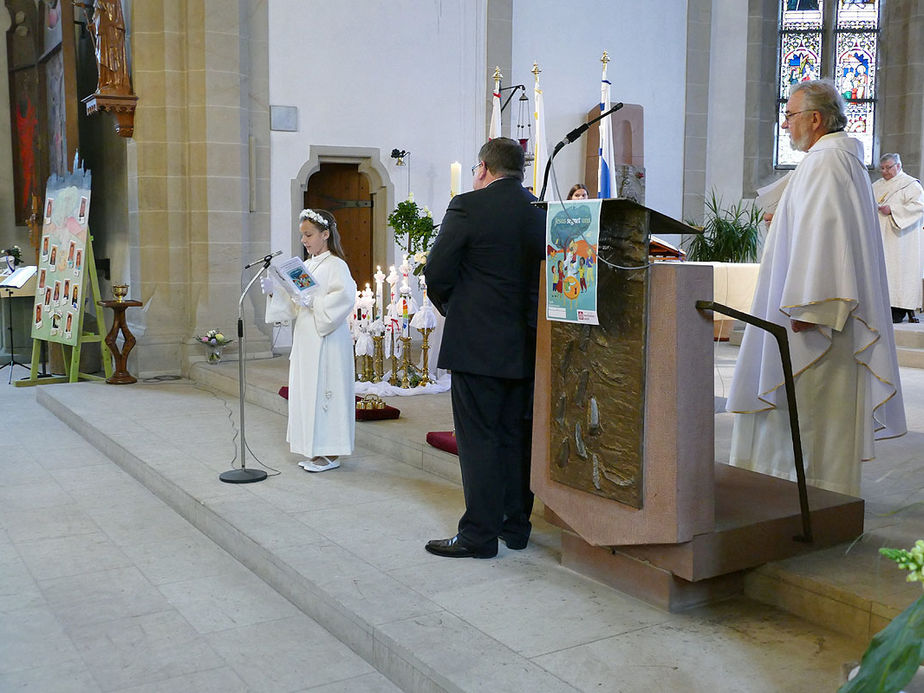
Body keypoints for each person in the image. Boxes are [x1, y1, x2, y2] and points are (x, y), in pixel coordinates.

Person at [727, 79, 905, 497]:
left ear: (815, 118)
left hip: (814, 319)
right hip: (813, 311)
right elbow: (819, 227)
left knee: (806, 411)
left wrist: (813, 308)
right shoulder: (835, 159)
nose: (785, 124)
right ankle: (797, 494)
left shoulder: (827, 162)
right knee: (808, 412)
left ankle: (802, 497)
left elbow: (828, 240)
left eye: (790, 115)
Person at [424, 137, 546, 558]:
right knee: (517, 437)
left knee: (479, 440)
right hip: (529, 347)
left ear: (482, 169)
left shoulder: (468, 206)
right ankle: (516, 527)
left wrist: (456, 309)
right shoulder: (542, 212)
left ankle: (479, 535)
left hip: (477, 346)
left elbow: (437, 272)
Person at [262, 209, 356, 472]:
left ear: (325, 234)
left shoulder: (336, 265)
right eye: (302, 235)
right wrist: (276, 293)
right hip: (306, 338)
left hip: (327, 340)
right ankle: (314, 450)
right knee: (307, 392)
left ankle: (331, 452)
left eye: (309, 234)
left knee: (327, 391)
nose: (304, 240)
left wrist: (313, 300)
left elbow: (345, 298)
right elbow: (296, 305)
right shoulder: (309, 265)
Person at [873, 153, 924, 324]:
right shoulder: (876, 185)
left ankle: (898, 309)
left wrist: (893, 210)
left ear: (898, 166)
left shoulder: (910, 185)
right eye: (882, 168)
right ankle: (878, 307)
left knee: (898, 273)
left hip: (901, 239)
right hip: (879, 236)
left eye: (888, 167)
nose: (885, 171)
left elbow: (918, 207)